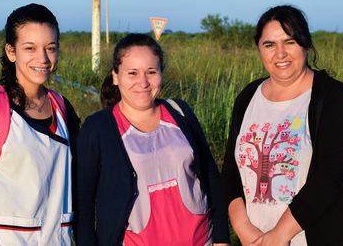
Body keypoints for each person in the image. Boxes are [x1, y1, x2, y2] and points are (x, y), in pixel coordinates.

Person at [74, 33, 230, 245]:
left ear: (161, 74)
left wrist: (221, 239)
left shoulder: (179, 111)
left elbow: (211, 176)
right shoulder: (97, 128)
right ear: (115, 76)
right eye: (132, 73)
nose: (143, 82)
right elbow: (83, 204)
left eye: (151, 72)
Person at [221, 5, 343, 246]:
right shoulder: (248, 96)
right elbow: (231, 172)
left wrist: (280, 235)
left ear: (305, 44)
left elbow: (333, 175)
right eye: (269, 45)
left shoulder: (332, 95)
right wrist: (244, 230)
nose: (280, 54)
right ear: (259, 49)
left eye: (290, 42)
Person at [0, 3, 80, 245]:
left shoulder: (63, 107)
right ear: (11, 51)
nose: (43, 58)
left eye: (50, 48)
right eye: (30, 48)